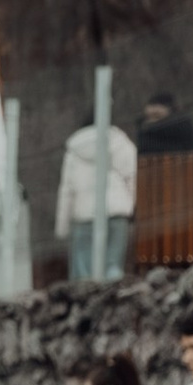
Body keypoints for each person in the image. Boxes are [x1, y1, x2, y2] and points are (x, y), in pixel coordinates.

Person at [54, 116, 137, 282]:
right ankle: (114, 304)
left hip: (84, 215)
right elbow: (131, 178)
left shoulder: (74, 150)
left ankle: (85, 305)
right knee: (113, 267)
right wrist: (131, 207)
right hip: (116, 211)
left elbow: (67, 190)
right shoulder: (121, 143)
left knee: (83, 270)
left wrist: (62, 227)